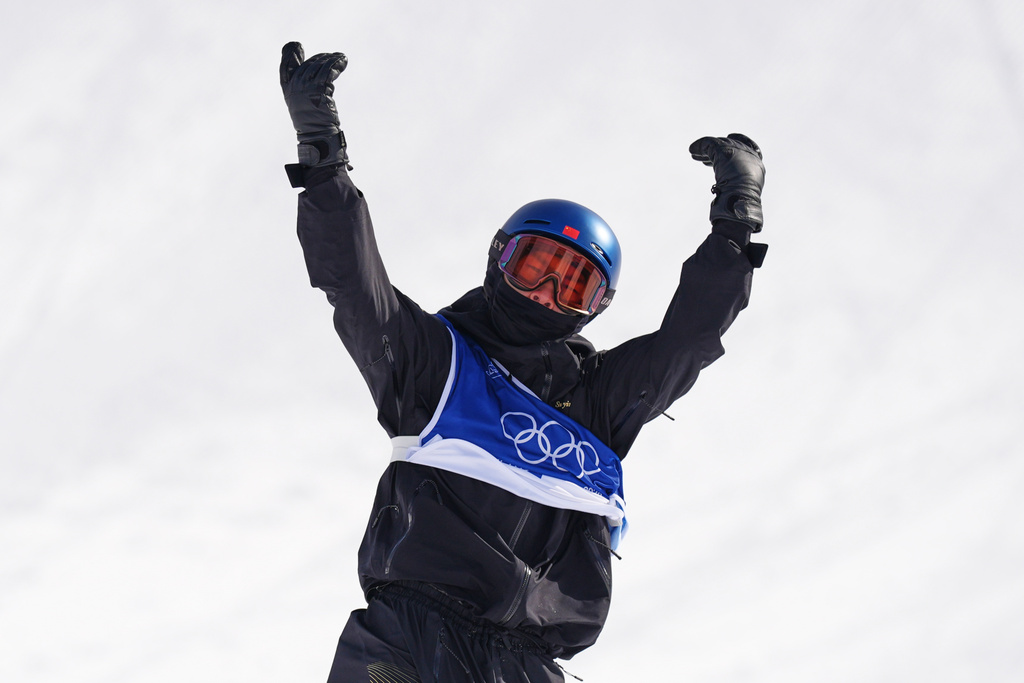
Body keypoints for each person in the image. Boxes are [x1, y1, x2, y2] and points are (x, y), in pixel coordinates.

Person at [279, 42, 767, 683]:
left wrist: (735, 225)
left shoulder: (596, 400)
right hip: (410, 641)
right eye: (537, 267)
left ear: (595, 309)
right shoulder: (433, 364)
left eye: (573, 287)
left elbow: (688, 341)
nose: (546, 294)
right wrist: (323, 158)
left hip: (529, 663)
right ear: (498, 257)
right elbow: (353, 282)